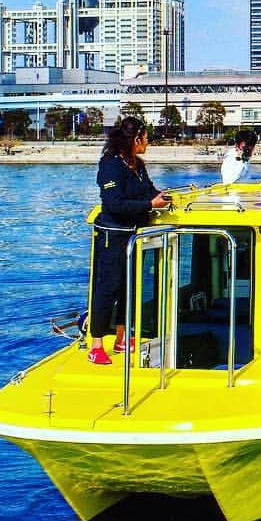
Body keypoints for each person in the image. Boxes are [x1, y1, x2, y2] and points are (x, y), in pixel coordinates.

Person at [88, 117, 171, 364]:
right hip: (113, 236)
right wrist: (149, 205)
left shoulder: (138, 165)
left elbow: (149, 190)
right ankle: (96, 344)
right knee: (108, 288)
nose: (147, 143)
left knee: (129, 287)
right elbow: (114, 204)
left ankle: (122, 337)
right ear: (136, 139)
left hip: (135, 235)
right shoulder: (110, 166)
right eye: (145, 138)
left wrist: (162, 197)